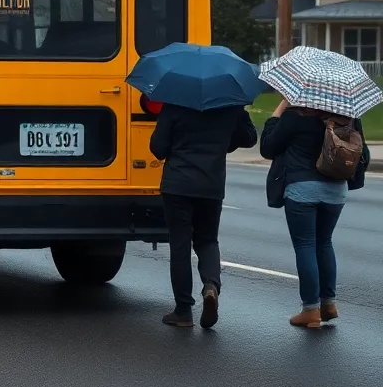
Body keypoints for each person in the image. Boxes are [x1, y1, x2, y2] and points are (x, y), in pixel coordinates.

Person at [259, 98, 368, 328]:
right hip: (336, 191)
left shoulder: (297, 115)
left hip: (302, 189)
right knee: (324, 242)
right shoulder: (347, 116)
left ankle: (310, 310)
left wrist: (280, 107)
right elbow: (363, 155)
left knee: (306, 245)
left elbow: (268, 148)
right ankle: (329, 304)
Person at [149, 102, 258, 329]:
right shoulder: (229, 105)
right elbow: (249, 138)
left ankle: (183, 311)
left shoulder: (175, 103)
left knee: (180, 245)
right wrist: (226, 138)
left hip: (178, 184)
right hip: (211, 185)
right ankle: (211, 285)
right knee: (207, 240)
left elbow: (157, 147)